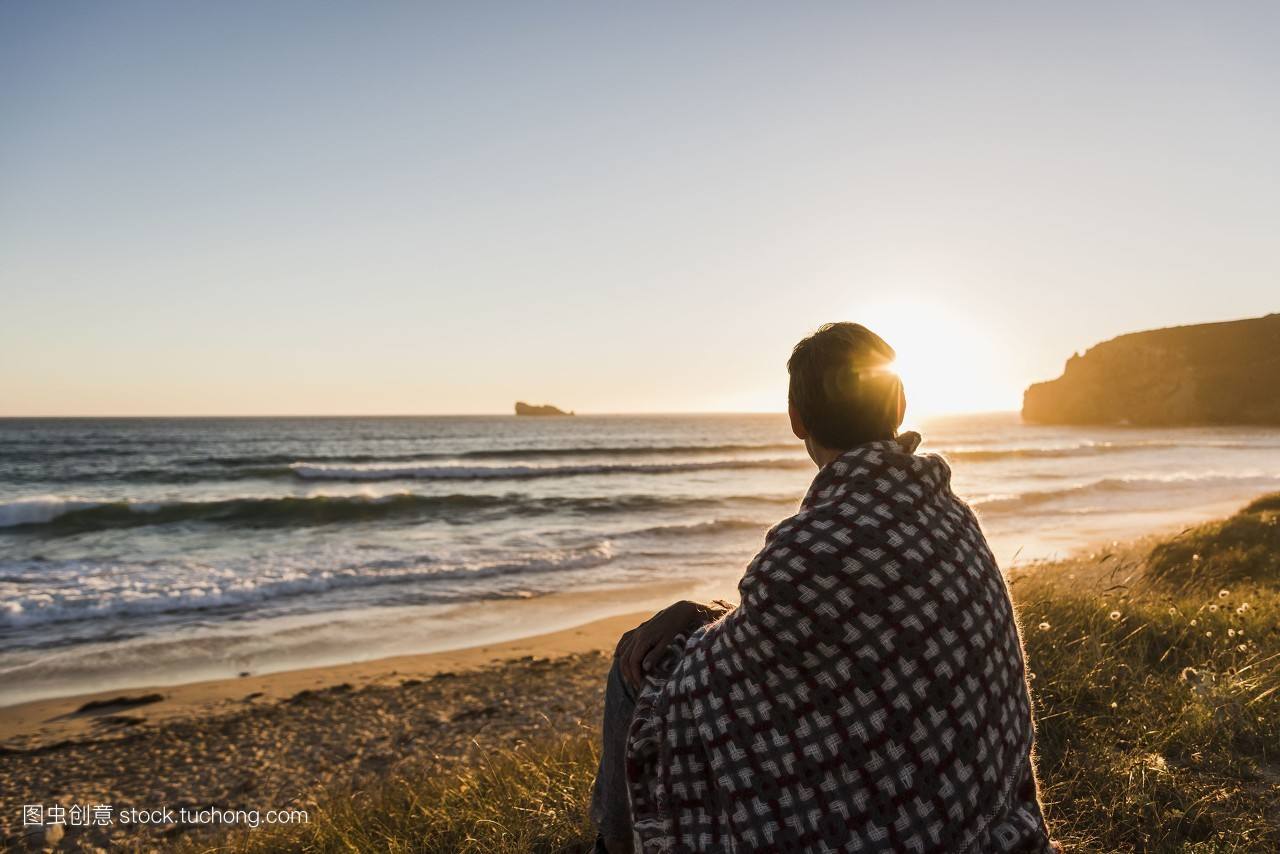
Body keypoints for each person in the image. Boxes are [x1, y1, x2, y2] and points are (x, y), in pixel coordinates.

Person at [590, 322, 1054, 853]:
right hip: (973, 800)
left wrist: (691, 620)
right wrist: (704, 613)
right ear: (898, 407)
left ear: (796, 419)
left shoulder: (806, 549)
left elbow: (707, 682)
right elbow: (787, 635)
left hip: (892, 820)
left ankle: (615, 846)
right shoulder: (947, 512)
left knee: (640, 667)